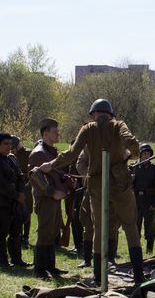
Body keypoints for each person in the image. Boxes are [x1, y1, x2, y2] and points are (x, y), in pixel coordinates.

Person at [39, 99, 145, 286]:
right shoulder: (118, 125)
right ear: (110, 114)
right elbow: (131, 141)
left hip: (97, 184)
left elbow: (72, 154)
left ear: (94, 114)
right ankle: (138, 276)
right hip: (120, 184)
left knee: (99, 229)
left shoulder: (88, 129)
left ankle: (98, 276)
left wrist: (51, 165)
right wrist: (134, 154)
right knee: (130, 226)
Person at [29, 118, 70, 278]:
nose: (57, 134)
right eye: (54, 131)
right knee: (45, 232)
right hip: (46, 198)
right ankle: (39, 269)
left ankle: (50, 267)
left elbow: (53, 174)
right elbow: (35, 177)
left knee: (52, 232)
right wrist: (52, 192)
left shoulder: (50, 151)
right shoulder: (39, 153)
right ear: (45, 133)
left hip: (54, 199)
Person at [0, 132, 29, 270]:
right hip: (1, 204)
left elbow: (20, 177)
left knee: (16, 233)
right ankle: (3, 262)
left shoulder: (12, 159)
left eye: (10, 144)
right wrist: (16, 195)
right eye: (5, 144)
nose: (9, 147)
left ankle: (17, 259)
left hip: (15, 203)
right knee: (1, 234)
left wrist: (21, 193)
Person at [132, 143, 155, 254]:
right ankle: (136, 251)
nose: (146, 155)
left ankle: (149, 250)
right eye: (144, 153)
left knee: (150, 227)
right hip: (136, 201)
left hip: (149, 200)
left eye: (148, 153)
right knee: (135, 227)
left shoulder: (154, 168)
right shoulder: (134, 167)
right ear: (140, 154)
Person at [11, 136, 33, 247]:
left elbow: (32, 171)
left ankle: (26, 237)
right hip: (15, 187)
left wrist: (22, 176)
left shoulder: (29, 153)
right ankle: (18, 235)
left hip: (26, 186)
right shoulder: (11, 155)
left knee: (27, 211)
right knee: (17, 211)